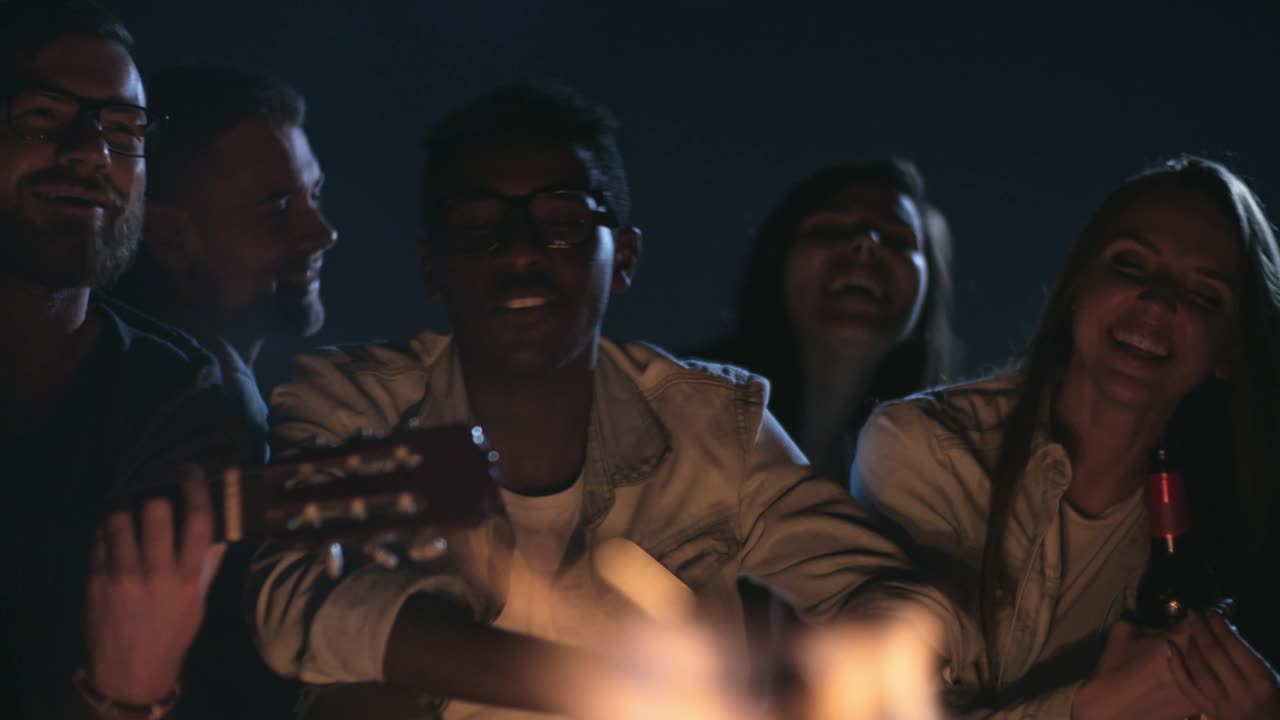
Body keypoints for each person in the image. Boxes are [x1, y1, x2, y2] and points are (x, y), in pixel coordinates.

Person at [249, 83, 960, 718]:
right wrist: (607, 685)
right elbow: (298, 608)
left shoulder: (713, 424)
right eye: (478, 221)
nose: (521, 247)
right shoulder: (347, 402)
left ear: (623, 258)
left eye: (561, 217)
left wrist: (836, 673)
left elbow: (894, 595)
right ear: (432, 264)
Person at [852, 156, 1280, 718]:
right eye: (1131, 265)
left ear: (1230, 348)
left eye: (1203, 296)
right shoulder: (926, 451)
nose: (1158, 301)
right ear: (1077, 285)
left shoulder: (1230, 524)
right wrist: (1091, 708)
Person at [0, 1, 255, 717]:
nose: (92, 152)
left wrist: (127, 693)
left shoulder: (177, 403)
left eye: (124, 129)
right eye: (44, 115)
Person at [110, 64, 338, 444]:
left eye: (314, 195)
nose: (323, 234)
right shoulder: (198, 418)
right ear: (169, 237)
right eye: (277, 209)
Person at [697, 160, 957, 480]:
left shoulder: (948, 477)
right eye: (830, 227)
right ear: (777, 261)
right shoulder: (684, 411)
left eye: (899, 239)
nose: (866, 243)